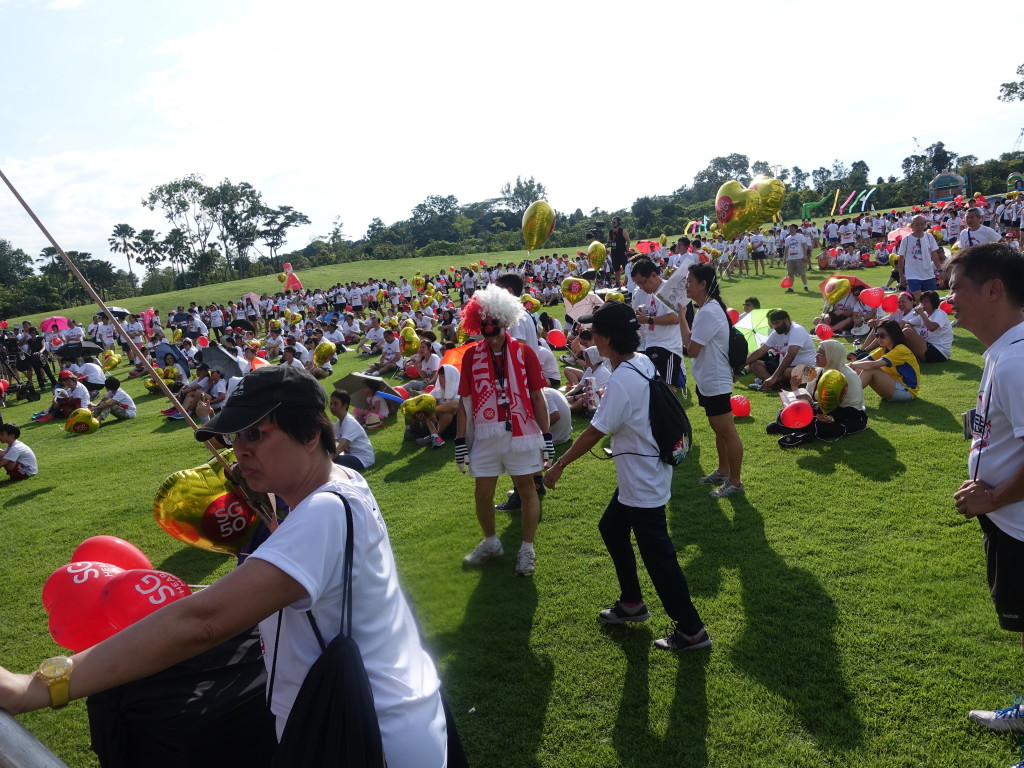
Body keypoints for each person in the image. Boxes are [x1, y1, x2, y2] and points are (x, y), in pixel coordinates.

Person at [0, 366, 448, 766]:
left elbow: (202, 622)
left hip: (365, 736)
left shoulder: (322, 514)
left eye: (256, 434)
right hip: (385, 712)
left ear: (312, 434)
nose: (239, 452)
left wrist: (36, 687)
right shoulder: (343, 480)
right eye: (235, 438)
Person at [543, 301, 712, 652]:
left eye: (592, 333)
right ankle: (632, 603)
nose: (589, 337)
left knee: (658, 555)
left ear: (605, 339)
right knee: (612, 528)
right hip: (644, 470)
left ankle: (692, 630)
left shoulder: (621, 378)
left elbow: (594, 432)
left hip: (642, 478)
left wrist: (559, 465)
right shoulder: (641, 360)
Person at [940, 246, 1024, 759]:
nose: (950, 301)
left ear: (993, 289)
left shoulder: (1016, 360)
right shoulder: (1004, 351)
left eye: (957, 289)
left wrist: (994, 495)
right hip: (1009, 520)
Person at [455, 285, 550, 577]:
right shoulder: (471, 356)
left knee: (527, 490)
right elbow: (465, 401)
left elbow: (537, 396)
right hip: (485, 434)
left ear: (505, 323)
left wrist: (546, 437)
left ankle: (527, 549)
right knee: (482, 495)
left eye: (495, 328)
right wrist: (460, 441)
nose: (491, 334)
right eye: (484, 329)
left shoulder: (523, 353)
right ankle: (492, 542)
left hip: (521, 433)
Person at [679, 263, 744, 498]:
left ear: (703, 284)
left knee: (726, 430)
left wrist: (682, 319)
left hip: (715, 379)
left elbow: (692, 349)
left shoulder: (708, 311)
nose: (686, 285)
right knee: (718, 429)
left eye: (689, 281)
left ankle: (735, 482)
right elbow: (693, 346)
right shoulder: (707, 308)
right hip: (708, 378)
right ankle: (723, 471)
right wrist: (683, 318)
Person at [766, 339, 867, 445]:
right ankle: (796, 433)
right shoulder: (818, 371)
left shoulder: (849, 377)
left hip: (846, 417)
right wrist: (795, 388)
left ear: (832, 355)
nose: (816, 355)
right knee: (783, 412)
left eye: (821, 353)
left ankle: (790, 429)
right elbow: (810, 399)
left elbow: (854, 409)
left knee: (820, 427)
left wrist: (832, 418)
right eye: (817, 352)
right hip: (821, 412)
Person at [630, 259, 682, 389]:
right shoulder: (650, 294)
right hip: (652, 344)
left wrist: (648, 319)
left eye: (642, 282)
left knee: (668, 390)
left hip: (668, 348)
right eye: (638, 284)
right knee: (655, 391)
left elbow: (675, 318)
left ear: (653, 274)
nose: (641, 287)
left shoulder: (667, 290)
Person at [848, 320, 920, 402]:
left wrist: (851, 365)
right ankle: (842, 392)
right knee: (859, 367)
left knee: (871, 369)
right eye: (877, 335)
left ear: (893, 335)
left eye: (882, 335)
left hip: (907, 392)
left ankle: (848, 397)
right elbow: (863, 361)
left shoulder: (901, 349)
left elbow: (873, 365)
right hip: (893, 388)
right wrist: (847, 366)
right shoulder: (884, 349)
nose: (879, 338)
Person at [746, 310, 817, 391]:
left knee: (788, 371)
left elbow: (790, 355)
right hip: (785, 367)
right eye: (773, 324)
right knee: (753, 364)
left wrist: (774, 376)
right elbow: (760, 351)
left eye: (777, 323)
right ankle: (776, 384)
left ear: (786, 320)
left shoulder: (797, 330)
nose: (775, 326)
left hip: (808, 370)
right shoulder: (776, 333)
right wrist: (740, 366)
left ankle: (776, 382)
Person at [897, 215, 943, 300]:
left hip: (928, 274)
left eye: (922, 224)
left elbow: (934, 254)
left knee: (930, 301)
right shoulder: (906, 240)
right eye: (917, 224)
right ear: (912, 225)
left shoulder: (929, 237)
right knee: (918, 300)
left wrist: (939, 270)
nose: (919, 227)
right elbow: (901, 258)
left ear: (925, 224)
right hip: (912, 275)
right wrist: (901, 276)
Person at [328, 389, 375, 472]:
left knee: (333, 461)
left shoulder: (350, 423)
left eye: (335, 404)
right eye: (331, 404)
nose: (332, 407)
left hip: (362, 459)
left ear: (345, 405)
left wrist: (325, 461)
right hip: (351, 455)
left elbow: (340, 447)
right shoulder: (340, 421)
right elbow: (331, 439)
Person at [900, 290, 953, 364]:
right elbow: (908, 323)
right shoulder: (925, 314)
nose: (922, 304)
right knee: (907, 327)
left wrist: (921, 314)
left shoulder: (939, 313)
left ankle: (893, 353)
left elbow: (932, 328)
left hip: (940, 352)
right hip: (927, 347)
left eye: (926, 302)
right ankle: (907, 356)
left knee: (907, 331)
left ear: (933, 303)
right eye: (922, 302)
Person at [783, 223, 811, 292]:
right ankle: (791, 287)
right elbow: (786, 249)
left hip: (799, 257)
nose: (790, 229)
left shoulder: (800, 236)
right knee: (790, 274)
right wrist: (784, 258)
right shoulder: (787, 238)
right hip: (790, 258)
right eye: (790, 228)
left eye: (792, 228)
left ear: (796, 229)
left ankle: (805, 286)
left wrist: (805, 255)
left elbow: (804, 246)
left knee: (802, 273)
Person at [607, 216, 630, 286]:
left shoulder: (622, 231)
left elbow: (628, 240)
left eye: (614, 222)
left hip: (622, 253)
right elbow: (608, 242)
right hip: (614, 253)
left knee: (626, 269)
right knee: (616, 270)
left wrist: (627, 250)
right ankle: (617, 284)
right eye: (612, 222)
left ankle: (627, 283)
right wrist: (604, 246)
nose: (613, 223)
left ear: (618, 222)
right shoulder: (610, 232)